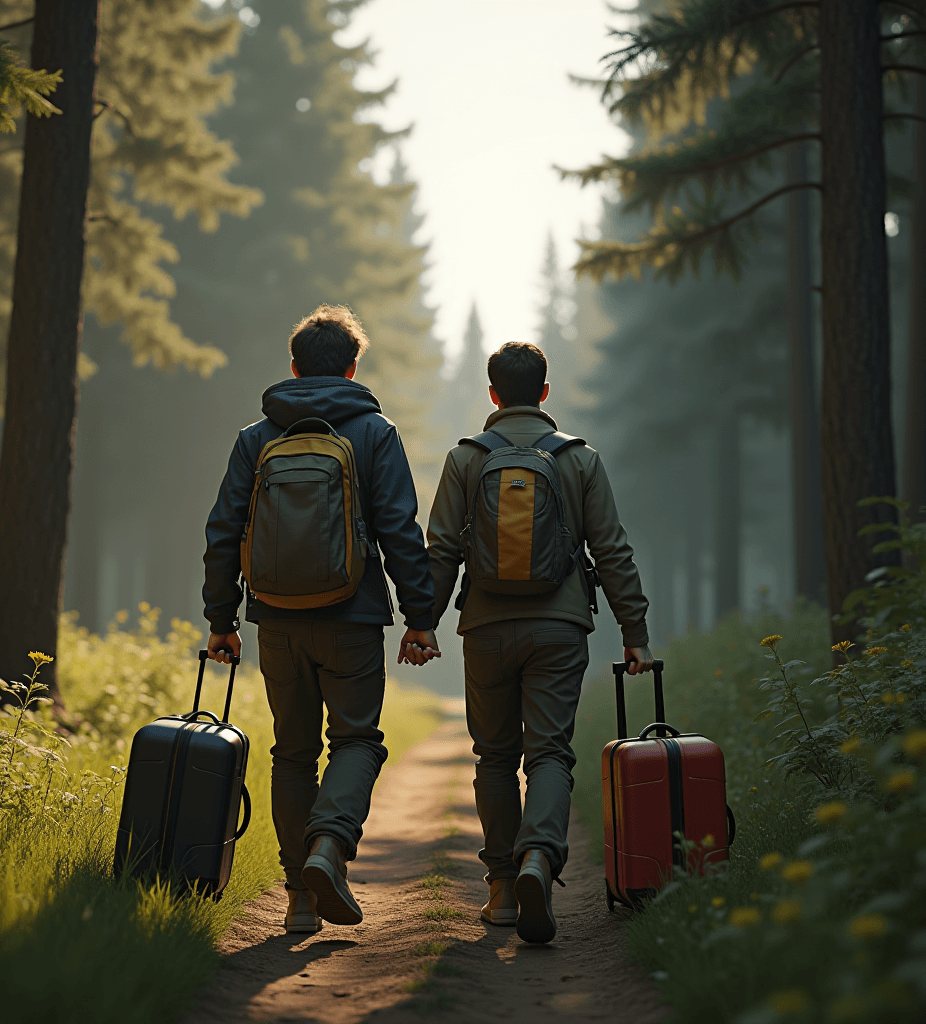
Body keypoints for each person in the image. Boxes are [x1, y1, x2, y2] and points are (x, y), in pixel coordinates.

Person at [203, 305, 439, 934]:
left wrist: (220, 618)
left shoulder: (257, 437)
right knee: (357, 741)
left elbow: (224, 529)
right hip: (353, 614)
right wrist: (421, 616)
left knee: (293, 753)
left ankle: (298, 901)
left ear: (294, 367)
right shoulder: (375, 434)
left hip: (275, 617)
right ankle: (328, 850)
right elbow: (399, 530)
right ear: (353, 367)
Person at [426, 341, 652, 944]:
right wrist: (636, 634)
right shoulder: (580, 460)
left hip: (487, 626)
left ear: (493, 394)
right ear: (545, 392)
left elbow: (442, 548)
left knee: (494, 756)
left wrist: (423, 623)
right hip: (560, 626)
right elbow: (613, 550)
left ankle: (502, 891)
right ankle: (537, 859)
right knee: (549, 753)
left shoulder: (467, 458)